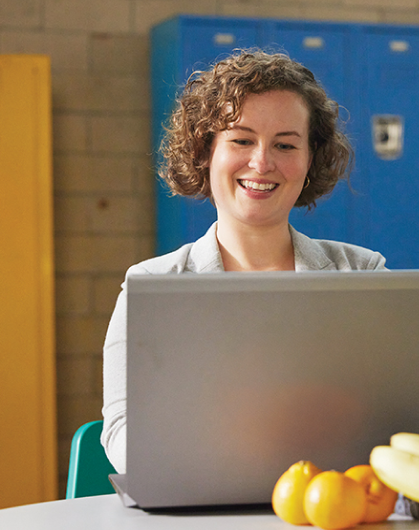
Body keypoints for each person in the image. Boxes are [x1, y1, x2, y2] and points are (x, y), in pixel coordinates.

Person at [101, 50, 388, 473]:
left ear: (310, 161)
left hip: (330, 504)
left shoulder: (363, 274)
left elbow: (395, 416)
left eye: (285, 144)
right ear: (205, 152)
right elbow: (123, 432)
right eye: (241, 140)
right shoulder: (152, 285)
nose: (262, 162)